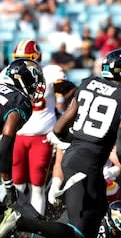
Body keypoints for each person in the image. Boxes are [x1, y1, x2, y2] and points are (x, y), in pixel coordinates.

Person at [0, 48, 121, 238]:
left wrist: (82, 140)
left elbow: (60, 128)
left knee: (100, 208)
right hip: (86, 162)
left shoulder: (88, 84)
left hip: (77, 156)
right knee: (77, 233)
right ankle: (21, 222)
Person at [7, 40, 76, 216]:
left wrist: (62, 92)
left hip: (42, 135)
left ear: (37, 57)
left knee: (37, 185)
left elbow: (69, 90)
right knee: (17, 184)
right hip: (17, 134)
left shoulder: (50, 72)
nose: (23, 62)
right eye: (19, 58)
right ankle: (16, 224)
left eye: (27, 58)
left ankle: (35, 228)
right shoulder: (7, 74)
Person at [0, 59, 46, 234]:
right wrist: (8, 184)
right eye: (34, 80)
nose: (37, 85)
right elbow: (4, 148)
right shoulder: (20, 101)